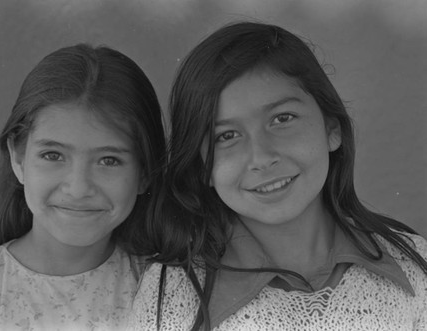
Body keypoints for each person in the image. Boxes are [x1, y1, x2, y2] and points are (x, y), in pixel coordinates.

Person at [130, 22, 427, 330]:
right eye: (227, 135)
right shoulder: (172, 296)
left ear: (332, 129)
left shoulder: (414, 263)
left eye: (282, 119)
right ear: (202, 167)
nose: (261, 157)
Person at [0, 44, 166, 330]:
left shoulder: (166, 294)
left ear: (144, 172)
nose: (78, 188)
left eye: (109, 160)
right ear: (18, 158)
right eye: (53, 156)